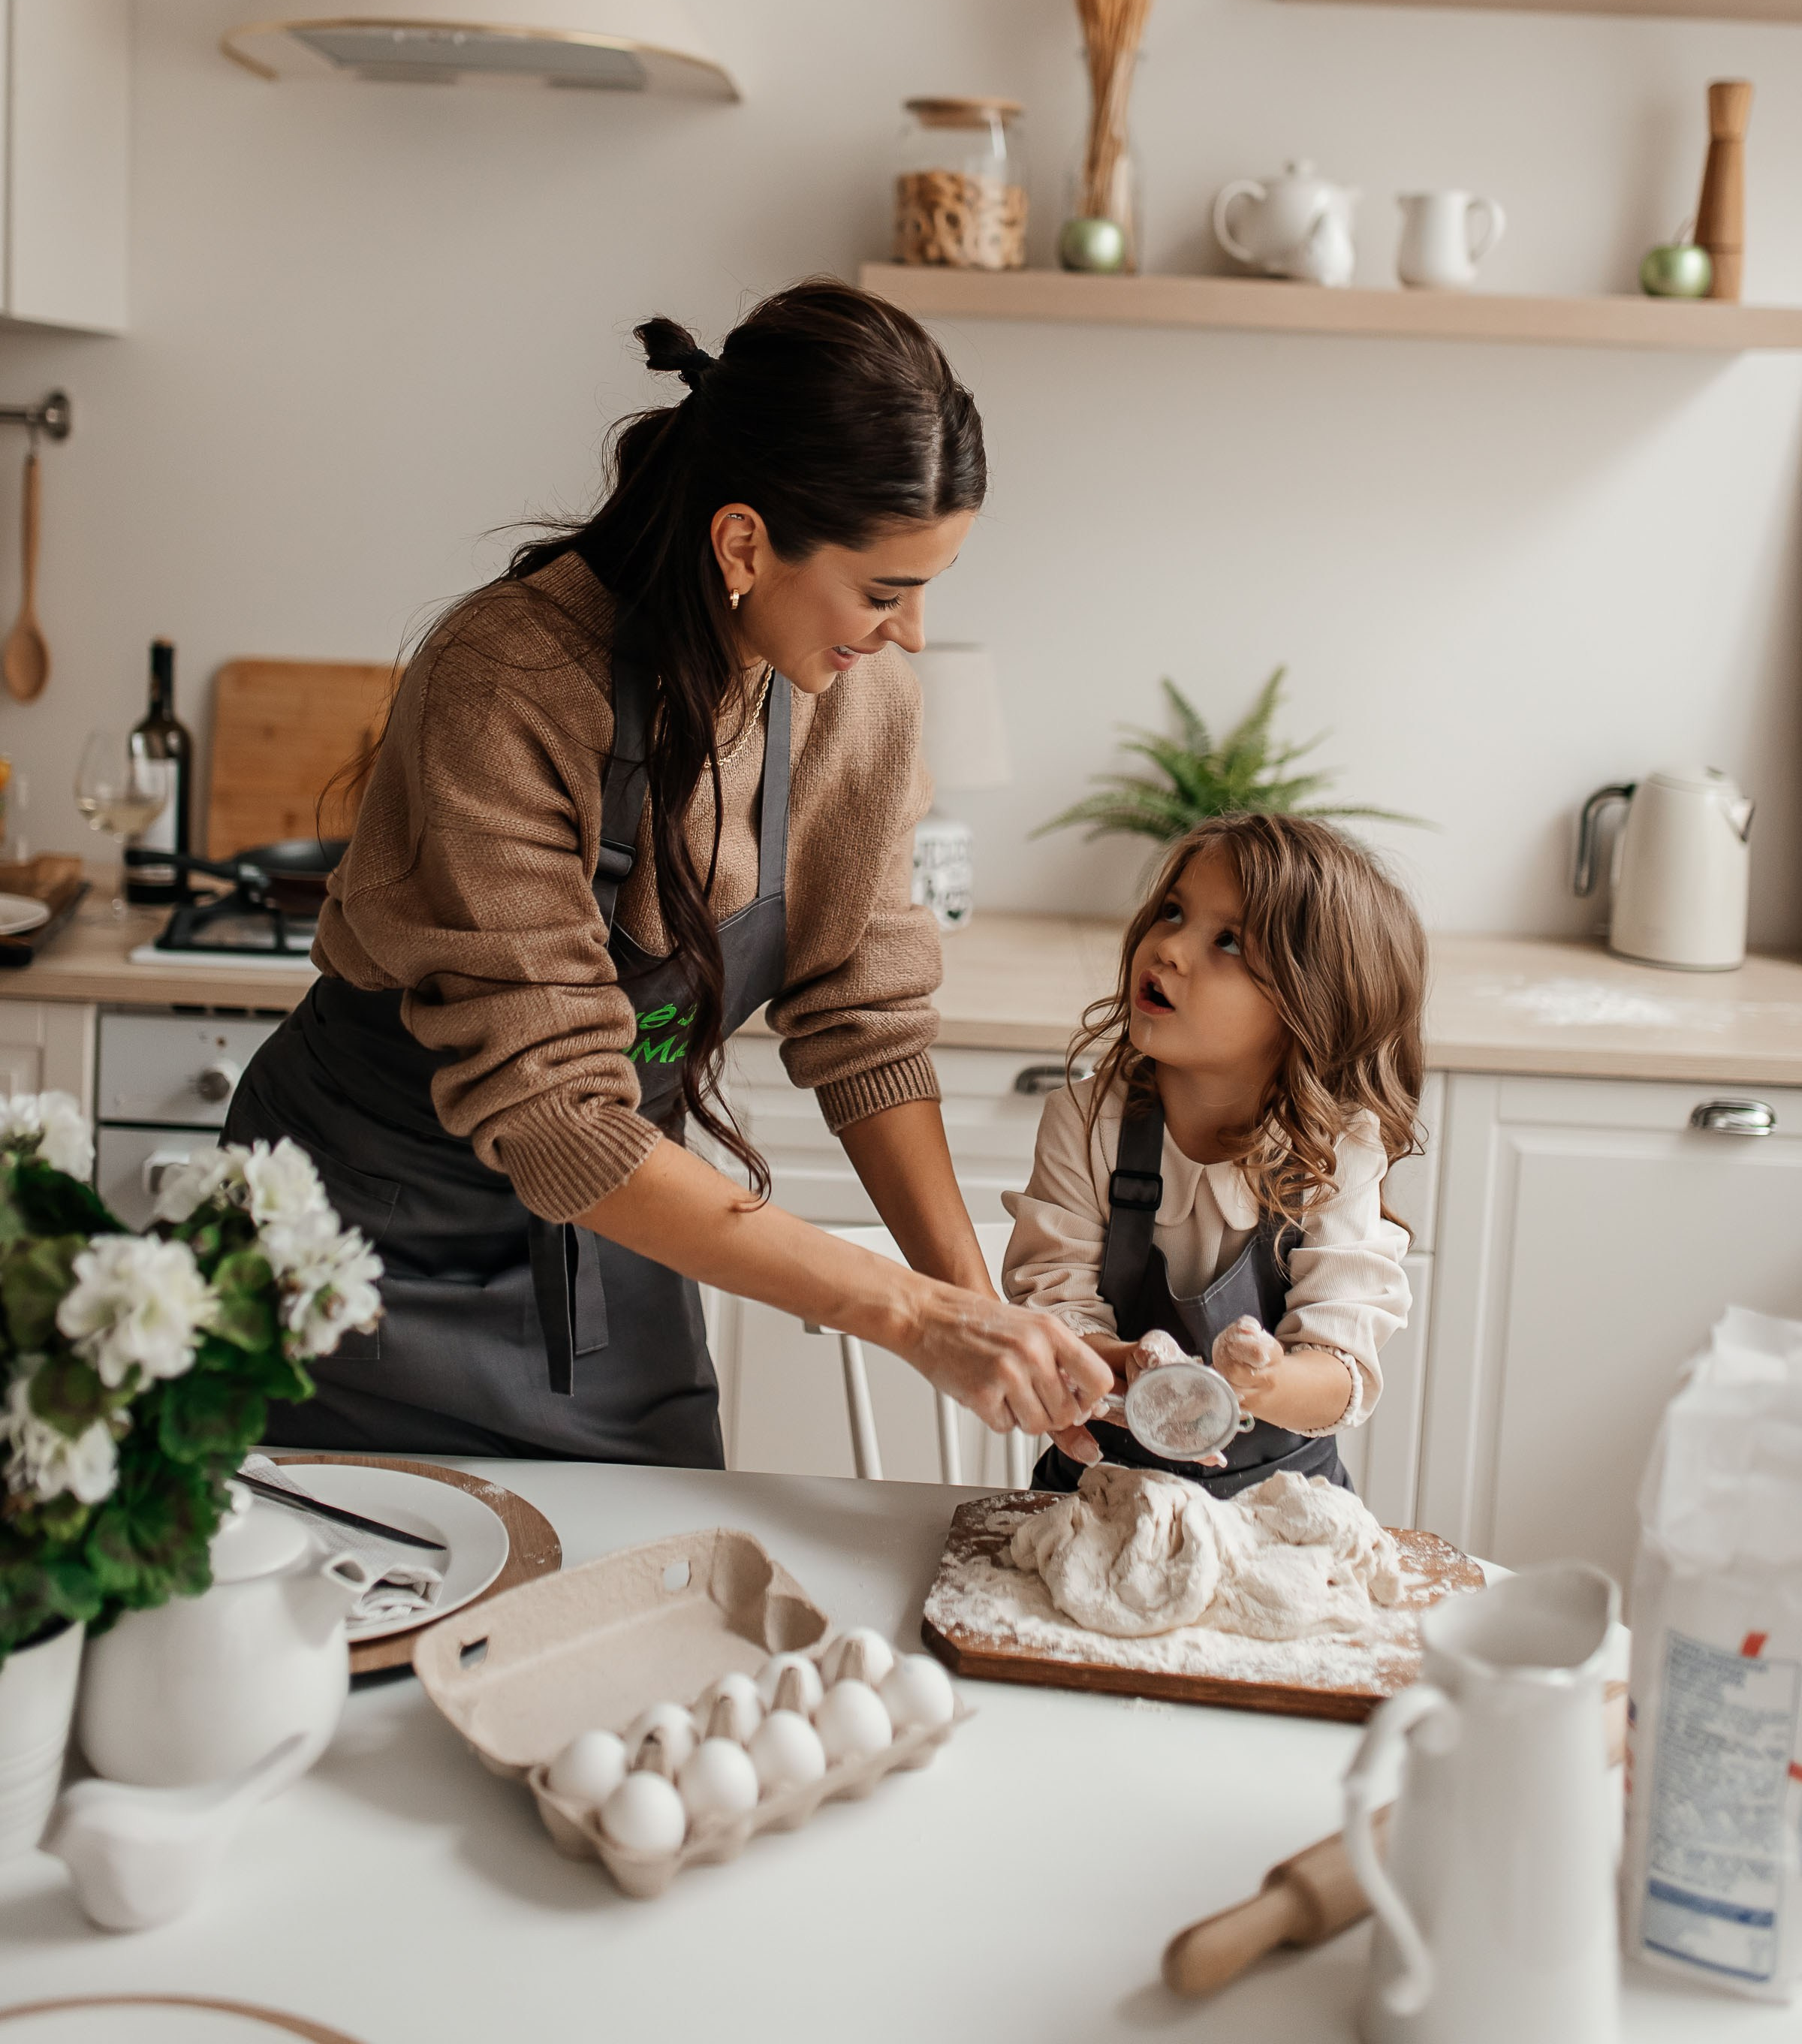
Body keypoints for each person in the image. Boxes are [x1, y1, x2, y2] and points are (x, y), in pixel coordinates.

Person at [228, 279, 1110, 1463]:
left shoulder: (859, 706)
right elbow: (556, 1115)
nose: (906, 633)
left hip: (628, 1228)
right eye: (884, 591)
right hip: (363, 1248)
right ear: (744, 541)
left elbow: (867, 1024)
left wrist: (979, 1307)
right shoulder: (514, 680)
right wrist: (908, 1315)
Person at [1002, 812, 1422, 1494]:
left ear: (1309, 1006)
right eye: (1172, 913)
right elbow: (1054, 1310)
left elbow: (1341, 1368)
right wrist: (1123, 1362)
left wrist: (1266, 1378)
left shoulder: (1335, 1155)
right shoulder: (1084, 1121)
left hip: (1281, 1505)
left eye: (1228, 941)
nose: (1168, 948)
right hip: (1097, 1491)